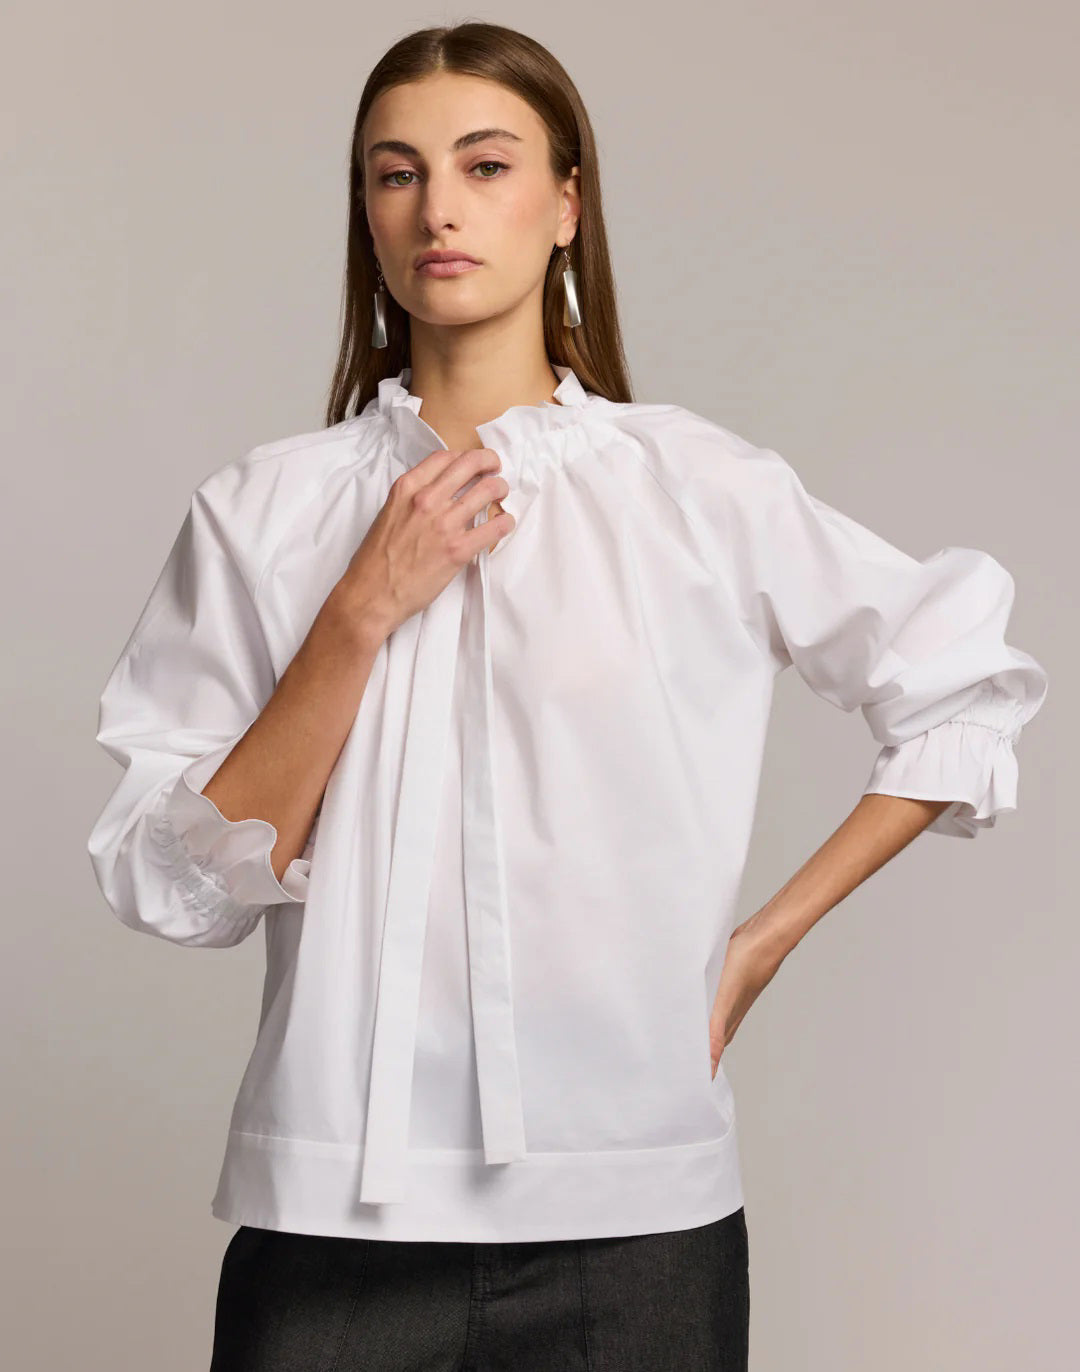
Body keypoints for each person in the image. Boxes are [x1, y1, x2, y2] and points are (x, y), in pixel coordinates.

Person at [86, 21, 1048, 1372]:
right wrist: (362, 610)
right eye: (395, 172)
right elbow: (172, 883)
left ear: (566, 204)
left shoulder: (696, 489)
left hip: (643, 1228)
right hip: (331, 1237)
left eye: (486, 165)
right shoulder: (265, 512)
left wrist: (759, 941)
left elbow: (962, 683)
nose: (438, 208)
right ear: (365, 211)